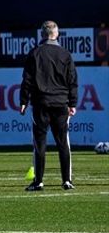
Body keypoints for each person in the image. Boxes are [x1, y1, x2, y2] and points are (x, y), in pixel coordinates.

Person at [20, 21, 79, 191]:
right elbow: (72, 81)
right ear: (57, 34)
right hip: (61, 103)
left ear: (42, 35)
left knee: (39, 143)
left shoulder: (35, 53)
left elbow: (27, 80)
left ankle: (38, 181)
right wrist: (73, 103)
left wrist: (23, 101)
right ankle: (67, 180)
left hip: (41, 104)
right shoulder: (65, 54)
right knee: (63, 143)